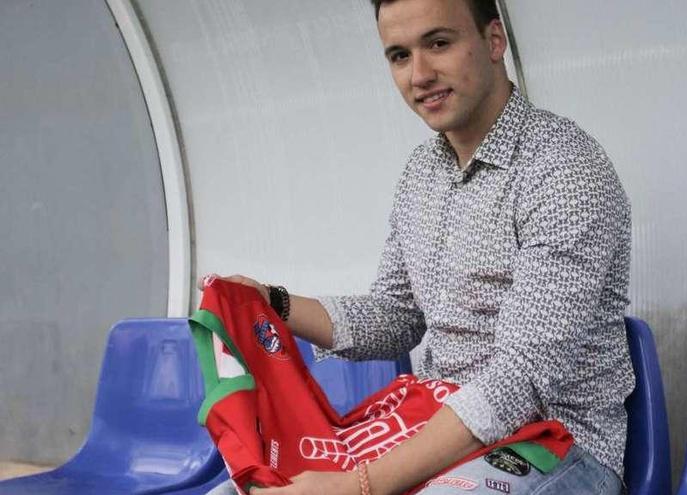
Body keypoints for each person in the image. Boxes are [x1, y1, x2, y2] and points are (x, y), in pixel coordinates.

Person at [207, 0, 634, 493]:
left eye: (439, 43)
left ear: (494, 41)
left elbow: (523, 381)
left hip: (558, 448)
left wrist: (357, 486)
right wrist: (273, 304)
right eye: (399, 55)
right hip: (435, 424)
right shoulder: (421, 174)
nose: (420, 74)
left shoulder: (564, 171)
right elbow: (396, 316)